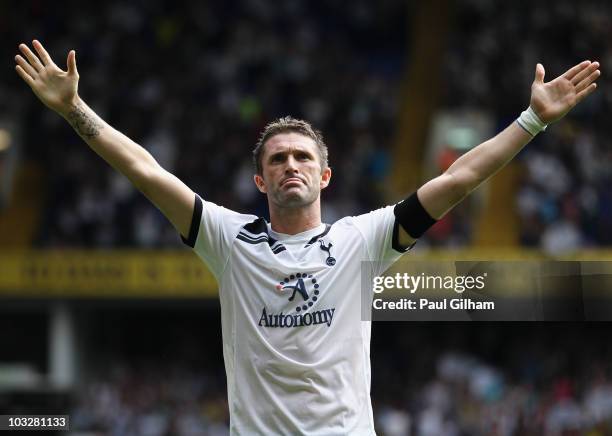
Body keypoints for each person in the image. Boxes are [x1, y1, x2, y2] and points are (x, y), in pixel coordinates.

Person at [14, 40, 600, 435]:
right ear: (259, 178)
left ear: (324, 175)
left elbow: (458, 178)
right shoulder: (226, 238)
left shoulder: (363, 239)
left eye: (301, 157)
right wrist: (74, 111)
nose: (289, 165)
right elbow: (146, 170)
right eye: (277, 159)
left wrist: (532, 120)